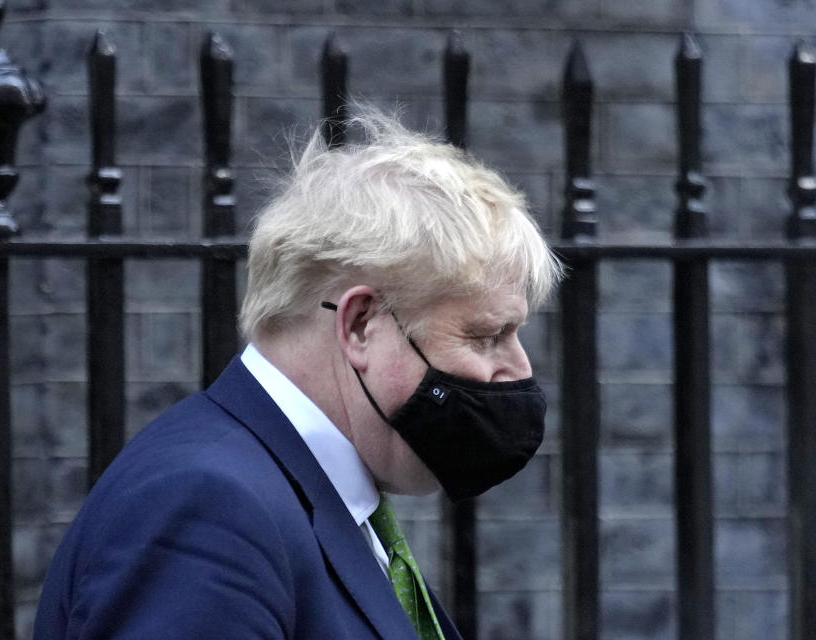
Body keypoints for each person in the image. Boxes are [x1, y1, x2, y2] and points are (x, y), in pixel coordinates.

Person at [33, 111, 563, 639]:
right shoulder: (209, 507)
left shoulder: (307, 495)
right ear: (359, 325)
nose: (518, 370)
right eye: (485, 335)